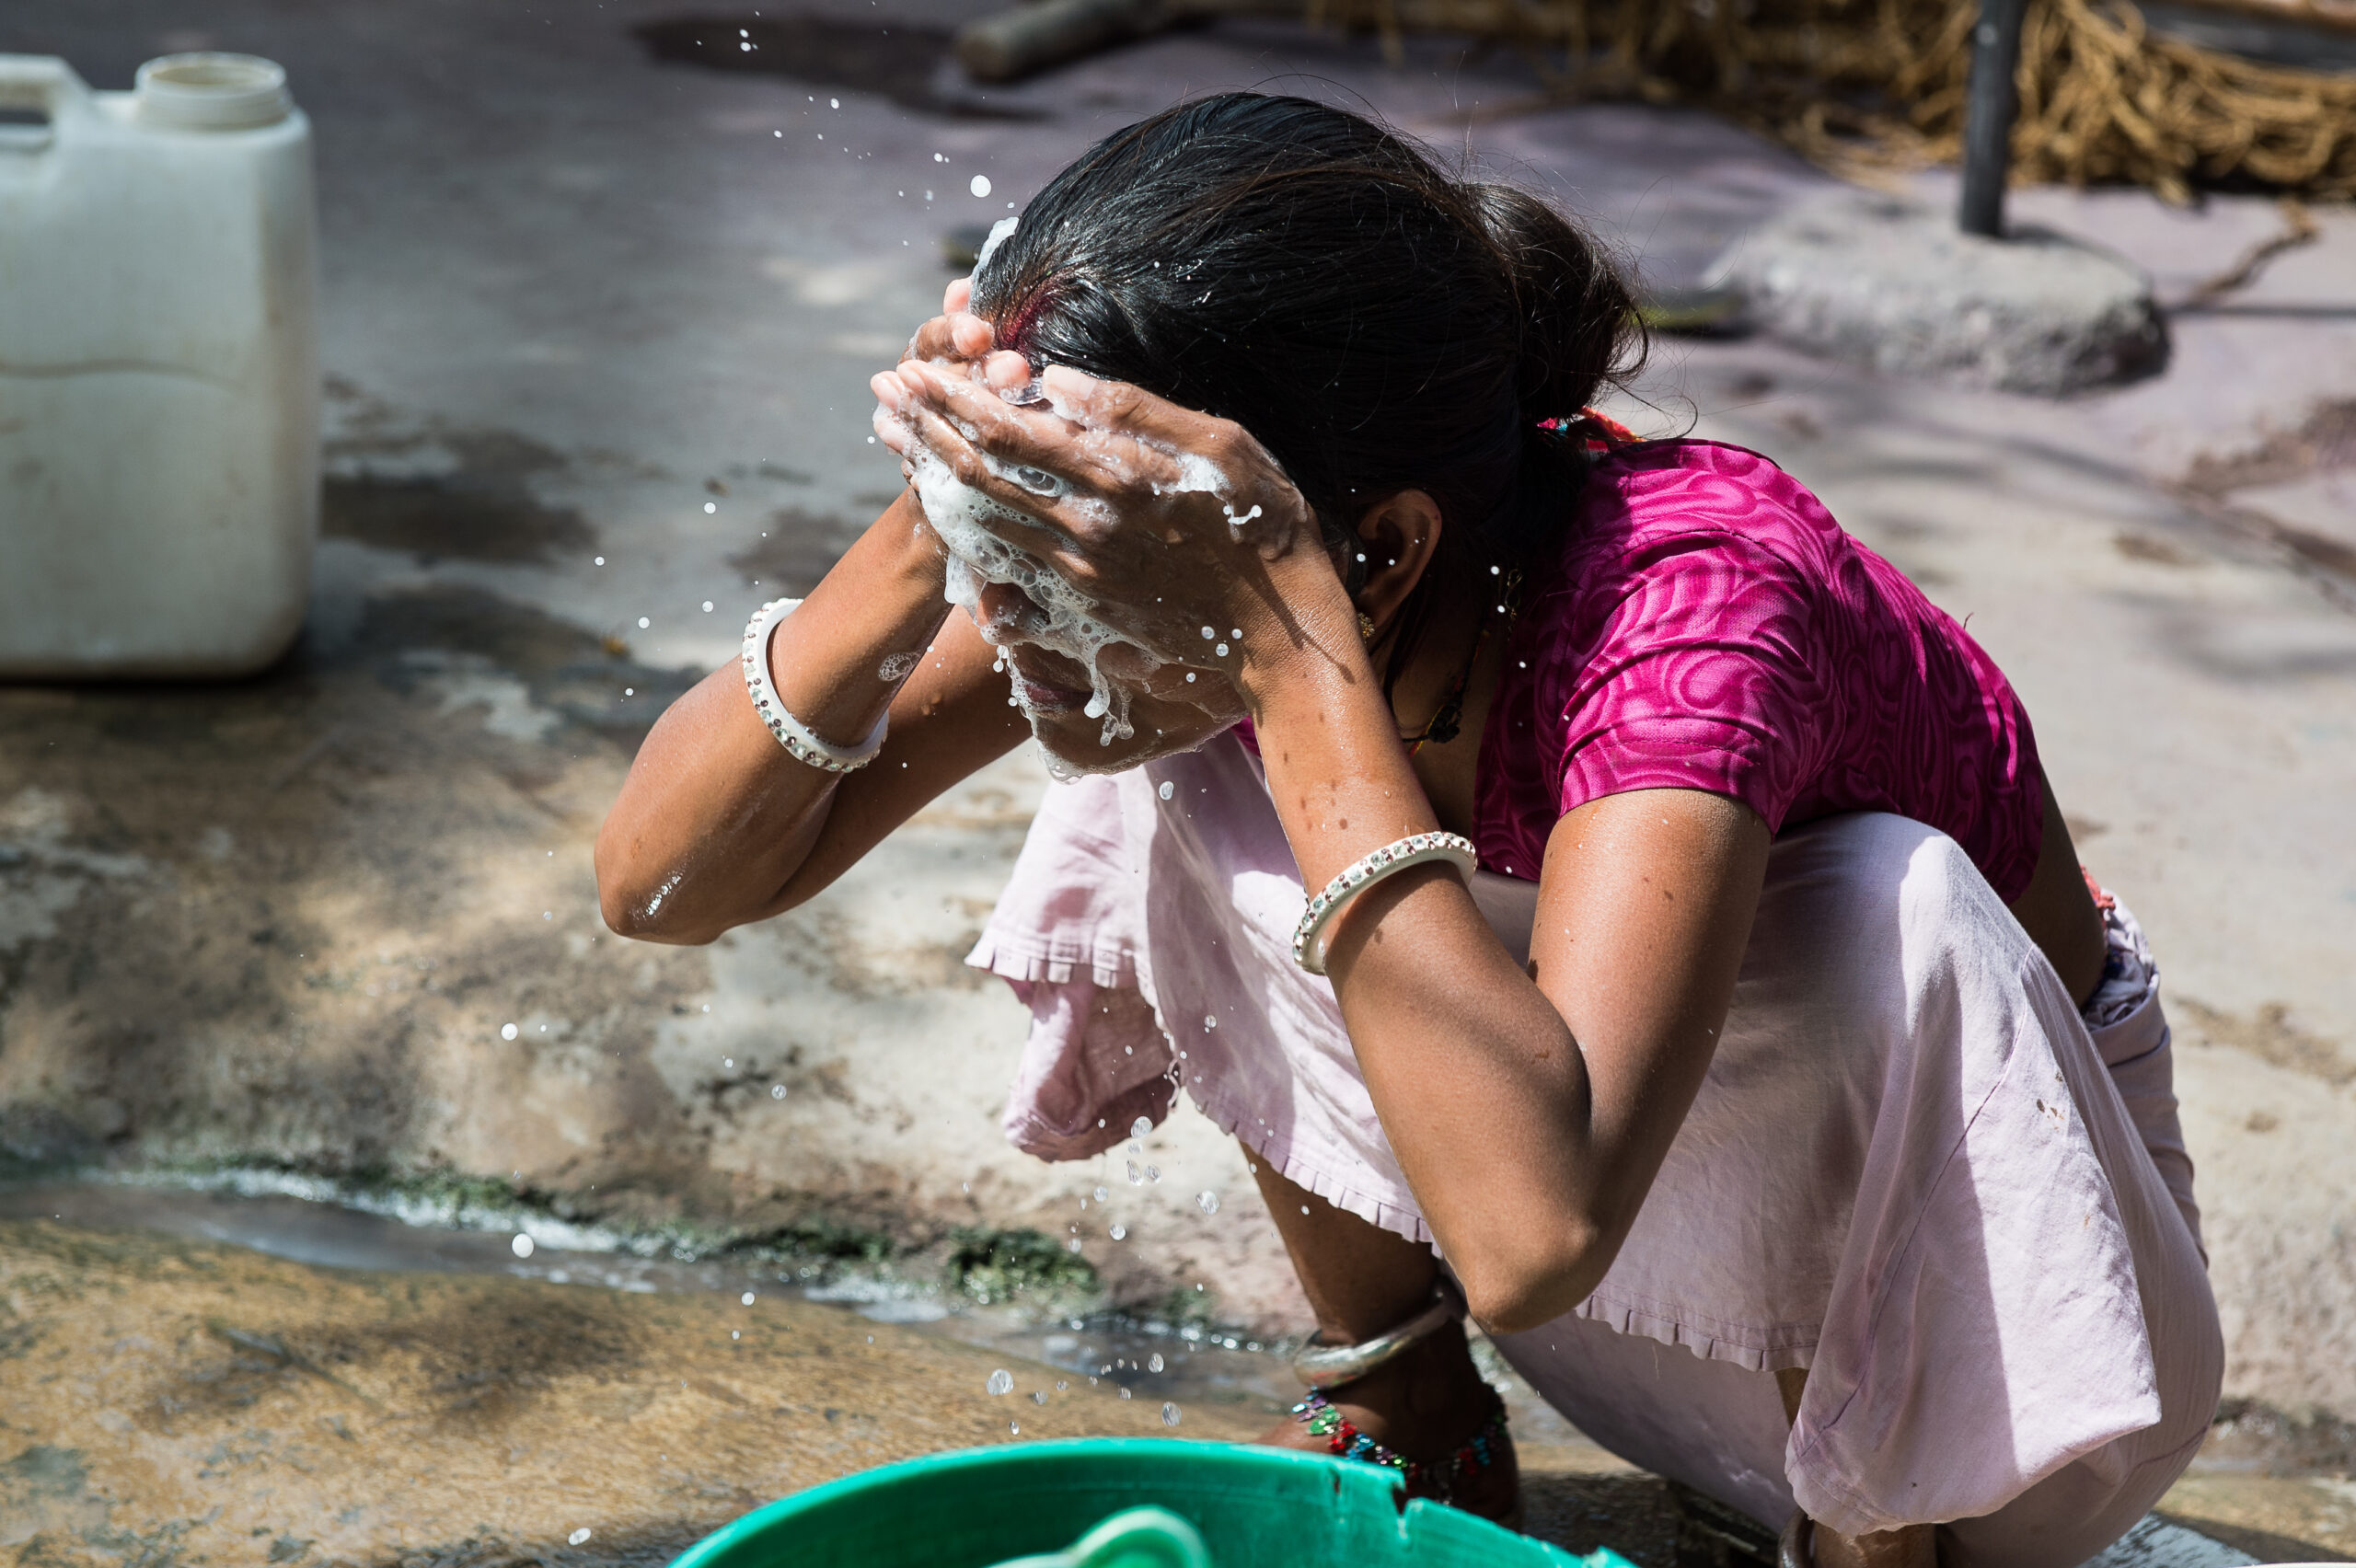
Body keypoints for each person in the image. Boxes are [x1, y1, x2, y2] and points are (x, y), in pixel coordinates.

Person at [596, 93, 2220, 1568]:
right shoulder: (1204, 569)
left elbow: (1535, 1236)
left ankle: (1876, 1542)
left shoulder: (1698, 611)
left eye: (1058, 554)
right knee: (1183, 758)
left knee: (1880, 902)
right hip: (1640, 1330)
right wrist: (933, 518)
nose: (1017, 630)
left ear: (1376, 555)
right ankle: (1412, 1403)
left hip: (2014, 1393)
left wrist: (1289, 660)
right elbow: (658, 886)